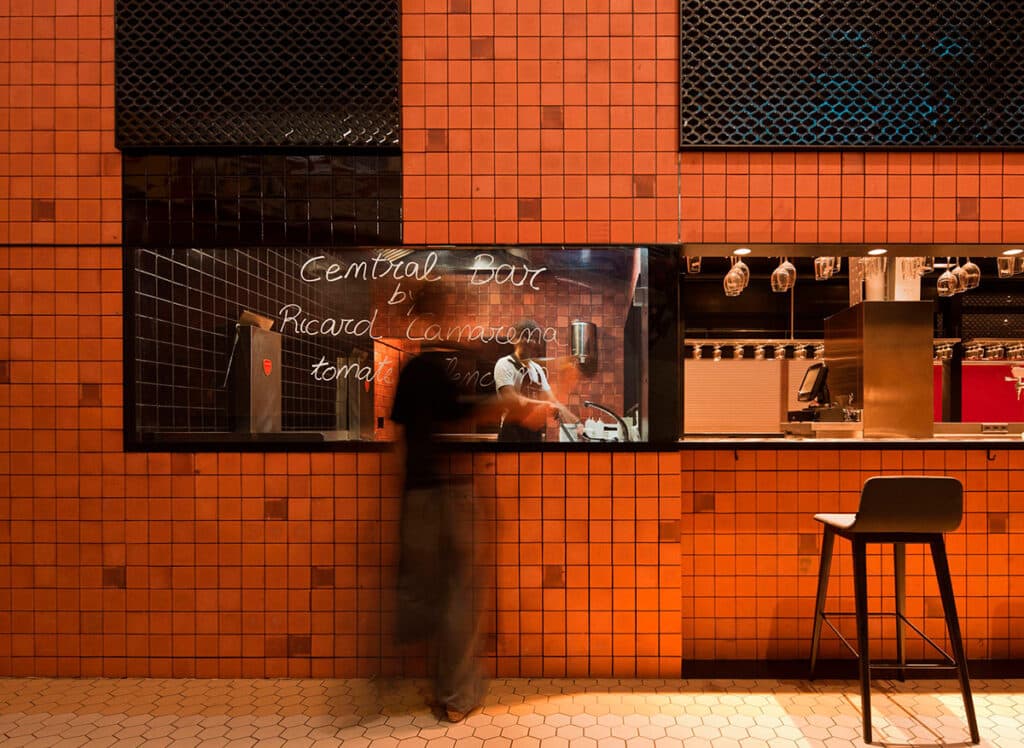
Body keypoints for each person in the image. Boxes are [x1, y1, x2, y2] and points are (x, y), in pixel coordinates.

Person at [390, 345, 487, 723]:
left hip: (417, 493)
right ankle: (456, 695)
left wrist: (404, 488)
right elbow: (459, 422)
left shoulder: (413, 369)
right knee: (459, 596)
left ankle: (433, 684)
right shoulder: (445, 370)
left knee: (426, 588)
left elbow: (401, 439)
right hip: (452, 494)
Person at [493, 319, 577, 441]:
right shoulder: (505, 364)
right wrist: (544, 405)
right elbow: (512, 399)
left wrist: (576, 423)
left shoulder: (537, 369)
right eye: (526, 336)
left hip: (534, 434)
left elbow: (553, 400)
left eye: (534, 338)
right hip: (512, 434)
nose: (531, 341)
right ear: (515, 339)